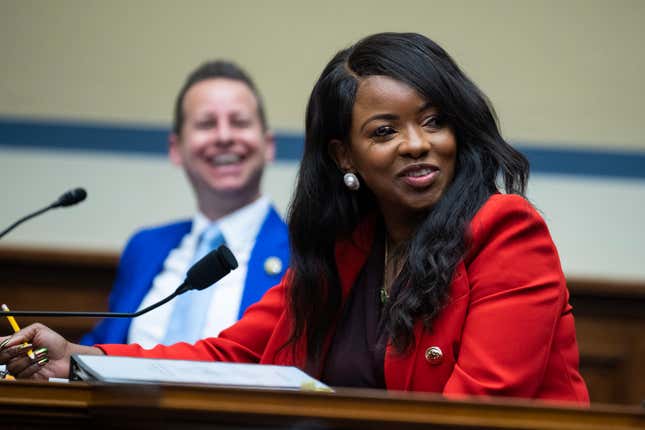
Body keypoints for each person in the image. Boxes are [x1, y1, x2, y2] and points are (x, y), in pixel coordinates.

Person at [0, 32, 589, 403]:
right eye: (384, 131)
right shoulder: (346, 249)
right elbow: (233, 358)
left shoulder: (504, 232)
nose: (417, 144)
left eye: (435, 121)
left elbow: (475, 414)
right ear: (344, 156)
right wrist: (79, 359)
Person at [79, 60, 290, 347]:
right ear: (176, 149)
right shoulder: (145, 247)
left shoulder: (305, 253)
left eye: (239, 122)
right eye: (206, 124)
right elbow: (101, 344)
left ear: (269, 145)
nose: (224, 136)